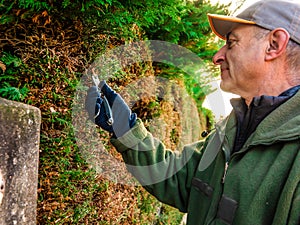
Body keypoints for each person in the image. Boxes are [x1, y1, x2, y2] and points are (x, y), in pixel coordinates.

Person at [85, 0, 300, 224]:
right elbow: (178, 179)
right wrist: (124, 127)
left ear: (274, 45)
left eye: (232, 43)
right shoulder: (233, 127)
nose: (217, 56)